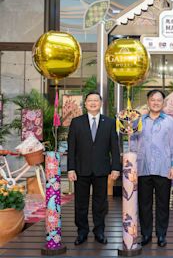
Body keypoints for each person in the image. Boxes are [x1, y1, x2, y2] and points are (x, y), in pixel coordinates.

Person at [67, 91, 121, 245]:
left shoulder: (110, 122)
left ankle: (99, 231)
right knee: (80, 203)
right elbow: (72, 148)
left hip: (101, 170)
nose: (92, 103)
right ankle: (82, 232)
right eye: (89, 100)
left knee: (100, 203)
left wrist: (115, 167)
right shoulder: (76, 122)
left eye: (95, 100)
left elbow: (114, 148)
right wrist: (70, 169)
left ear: (101, 103)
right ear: (85, 104)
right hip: (80, 170)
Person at [129, 89, 173, 247]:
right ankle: (146, 234)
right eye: (153, 99)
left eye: (159, 100)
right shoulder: (138, 120)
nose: (156, 102)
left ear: (163, 103)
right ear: (148, 101)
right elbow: (132, 143)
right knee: (144, 204)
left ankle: (162, 234)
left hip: (163, 168)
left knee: (163, 203)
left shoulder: (170, 121)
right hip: (143, 168)